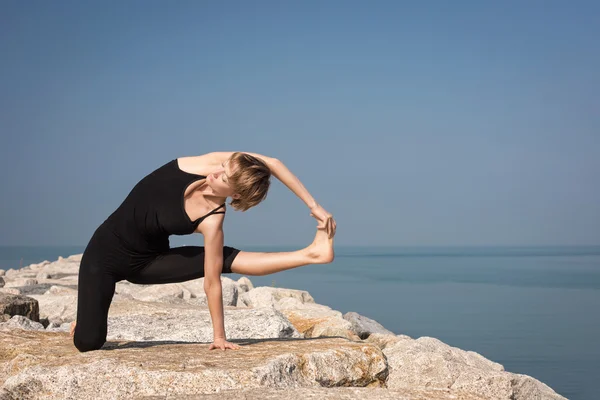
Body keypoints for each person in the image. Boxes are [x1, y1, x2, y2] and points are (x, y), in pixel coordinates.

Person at [70, 151, 336, 352]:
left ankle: (313, 253)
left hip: (148, 263)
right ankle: (84, 320)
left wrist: (219, 336)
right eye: (223, 167)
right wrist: (315, 206)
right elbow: (274, 163)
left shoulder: (213, 220)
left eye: (225, 177)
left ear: (236, 196)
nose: (217, 172)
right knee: (88, 342)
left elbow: (212, 282)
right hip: (104, 254)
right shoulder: (197, 165)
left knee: (221, 258)